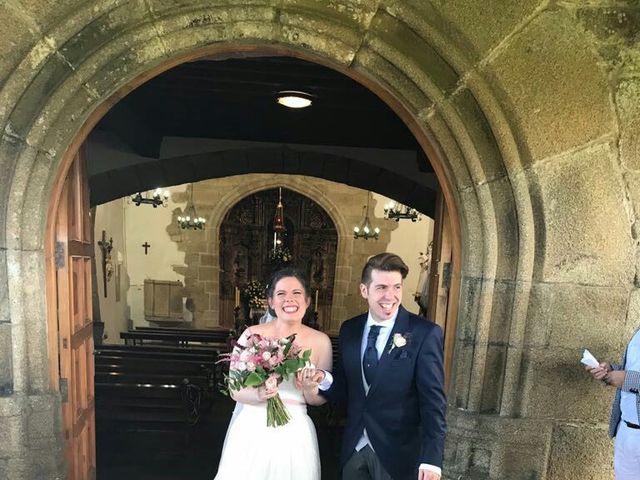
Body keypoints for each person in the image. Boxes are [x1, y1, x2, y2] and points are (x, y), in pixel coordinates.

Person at [299, 252, 447, 480]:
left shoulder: (425, 333)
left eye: (396, 287)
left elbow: (433, 402)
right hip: (354, 449)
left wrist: (432, 459)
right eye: (381, 288)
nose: (391, 296)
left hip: (399, 454)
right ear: (364, 290)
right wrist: (324, 378)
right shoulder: (350, 329)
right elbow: (348, 383)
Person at [214, 268, 333, 480]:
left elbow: (318, 400)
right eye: (281, 294)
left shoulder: (321, 341)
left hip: (294, 429)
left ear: (307, 301)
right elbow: (234, 388)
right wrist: (259, 395)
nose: (289, 299)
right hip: (252, 426)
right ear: (270, 301)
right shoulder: (251, 335)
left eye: (297, 293)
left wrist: (308, 388)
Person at [586, 330, 640, 479]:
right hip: (626, 431)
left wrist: (626, 380)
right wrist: (610, 371)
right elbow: (633, 368)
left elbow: (630, 378)